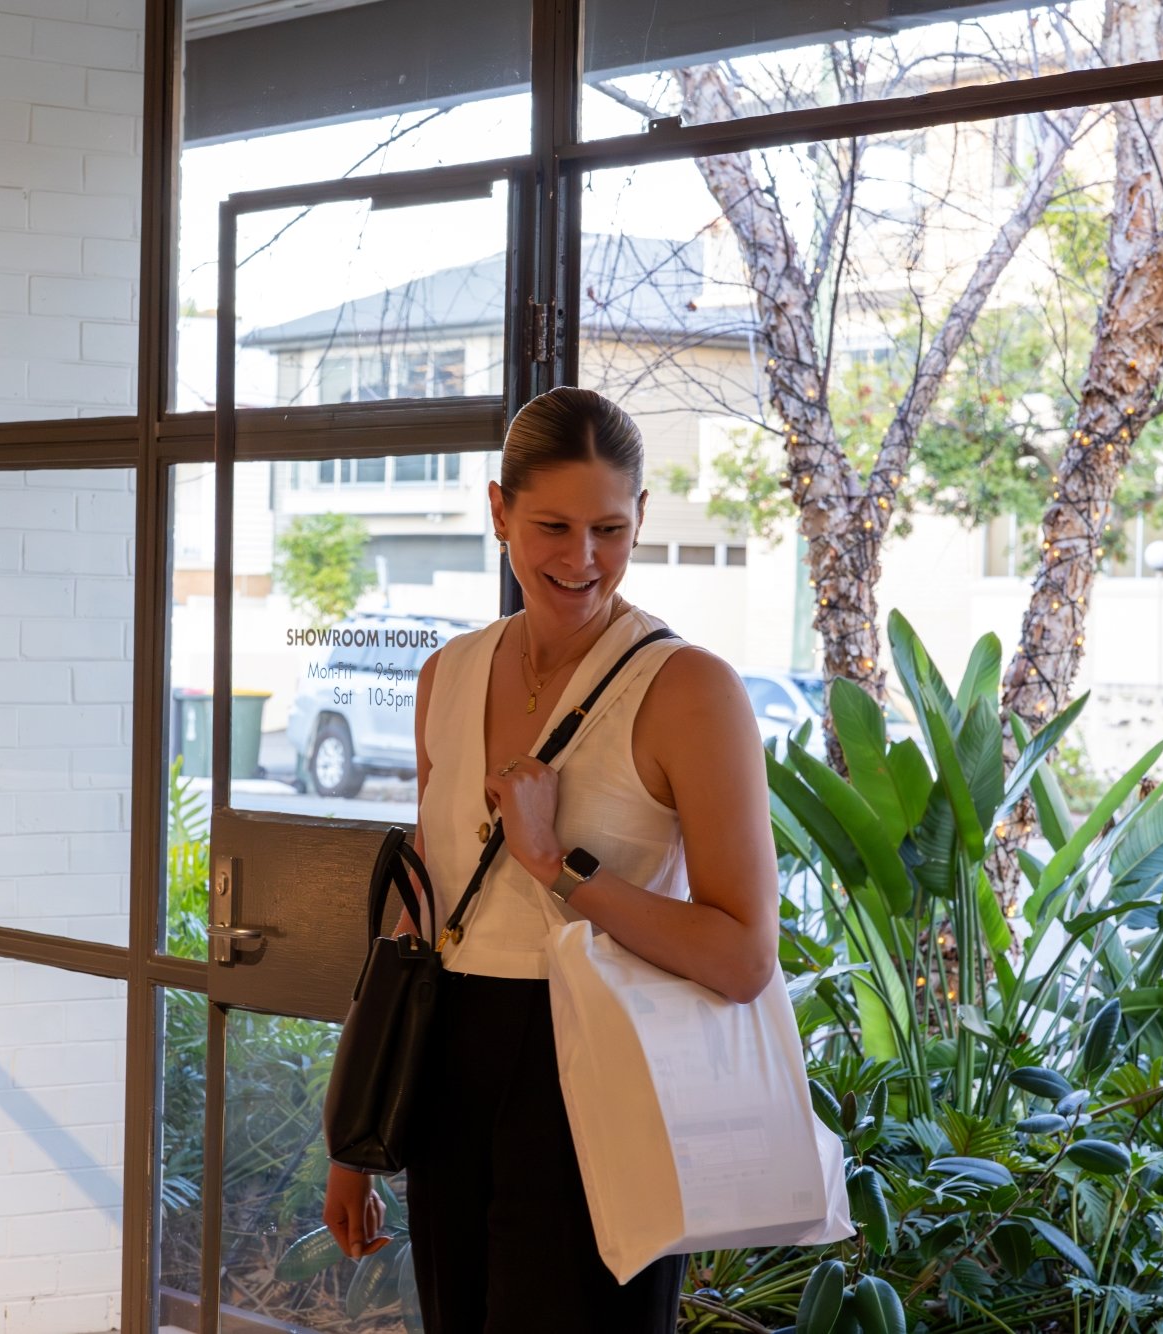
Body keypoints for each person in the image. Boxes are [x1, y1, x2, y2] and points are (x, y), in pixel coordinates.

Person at [321, 387, 781, 1332]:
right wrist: (357, 1134)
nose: (581, 559)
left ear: (643, 516)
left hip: (600, 1076)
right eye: (553, 526)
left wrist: (557, 863)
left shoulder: (690, 689)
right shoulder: (447, 674)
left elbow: (742, 958)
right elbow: (421, 911)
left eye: (611, 528)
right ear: (498, 512)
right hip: (449, 1061)